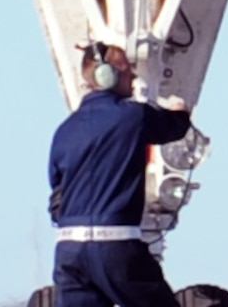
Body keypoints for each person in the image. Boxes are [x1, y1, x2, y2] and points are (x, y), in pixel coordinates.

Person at [46, 41, 195, 307]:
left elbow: (57, 194)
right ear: (108, 76)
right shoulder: (132, 117)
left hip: (69, 253)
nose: (134, 77)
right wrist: (180, 111)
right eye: (128, 71)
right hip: (115, 248)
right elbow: (172, 128)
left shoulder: (63, 131)